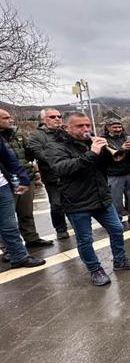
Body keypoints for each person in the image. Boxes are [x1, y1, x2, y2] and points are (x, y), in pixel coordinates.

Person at [46, 112, 130, 285]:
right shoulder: (55, 146)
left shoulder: (91, 142)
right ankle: (95, 269)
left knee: (117, 229)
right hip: (77, 201)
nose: (86, 129)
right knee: (85, 239)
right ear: (66, 127)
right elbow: (62, 169)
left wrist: (108, 152)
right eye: (80, 126)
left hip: (101, 197)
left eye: (88, 125)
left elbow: (112, 163)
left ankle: (120, 261)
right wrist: (92, 153)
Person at [0, 109, 54, 250]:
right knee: (6, 217)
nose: (10, 120)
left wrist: (34, 172)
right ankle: (7, 248)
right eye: (5, 118)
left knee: (26, 212)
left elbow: (28, 153)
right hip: (5, 182)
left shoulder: (17, 134)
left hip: (24, 177)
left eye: (10, 117)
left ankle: (31, 238)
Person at [0, 136, 46, 268]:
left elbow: (9, 158)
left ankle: (19, 256)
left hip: (2, 187)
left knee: (9, 225)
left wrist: (23, 178)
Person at [26, 108, 70, 239]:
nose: (57, 119)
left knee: (74, 201)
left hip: (70, 174)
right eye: (52, 117)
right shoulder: (36, 136)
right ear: (43, 120)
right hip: (52, 177)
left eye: (59, 116)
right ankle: (61, 229)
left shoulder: (65, 132)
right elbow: (43, 155)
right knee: (56, 204)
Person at [102, 118, 130, 224]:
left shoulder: (127, 137)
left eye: (119, 127)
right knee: (116, 199)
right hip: (114, 174)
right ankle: (117, 219)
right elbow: (105, 156)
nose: (118, 129)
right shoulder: (103, 140)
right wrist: (122, 149)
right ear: (107, 128)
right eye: (115, 127)